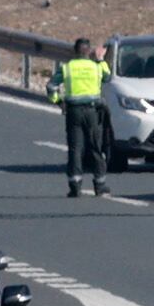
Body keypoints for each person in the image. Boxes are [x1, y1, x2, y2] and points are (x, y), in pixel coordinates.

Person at [55, 37, 111, 197]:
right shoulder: (95, 67)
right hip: (92, 112)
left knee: (75, 149)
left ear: (75, 51)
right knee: (95, 147)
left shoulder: (67, 68)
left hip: (73, 112)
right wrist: (100, 59)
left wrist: (59, 102)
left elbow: (51, 87)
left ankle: (75, 186)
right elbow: (107, 77)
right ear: (89, 51)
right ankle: (100, 185)